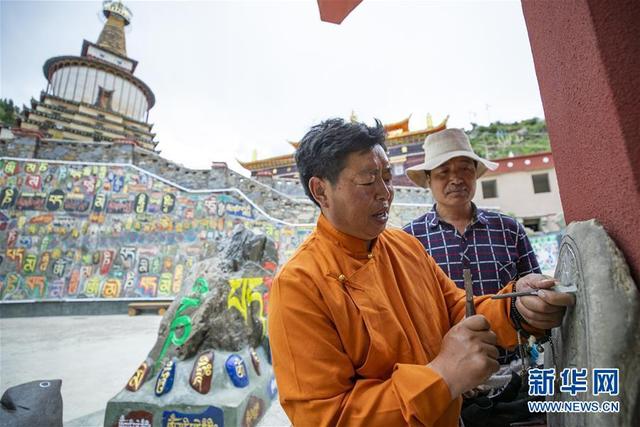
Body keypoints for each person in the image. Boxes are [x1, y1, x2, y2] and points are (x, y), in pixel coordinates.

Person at [268, 118, 574, 426]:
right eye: (368, 180)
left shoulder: (405, 246)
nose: (385, 193)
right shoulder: (299, 285)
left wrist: (515, 309)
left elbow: (455, 309)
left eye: (387, 177)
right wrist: (441, 377)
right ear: (321, 191)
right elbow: (325, 417)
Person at [403, 129, 544, 425]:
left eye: (465, 169)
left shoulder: (508, 229)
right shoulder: (408, 241)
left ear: (476, 175)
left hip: (516, 377)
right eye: (443, 172)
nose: (456, 179)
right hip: (449, 387)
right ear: (428, 180)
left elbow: (534, 296)